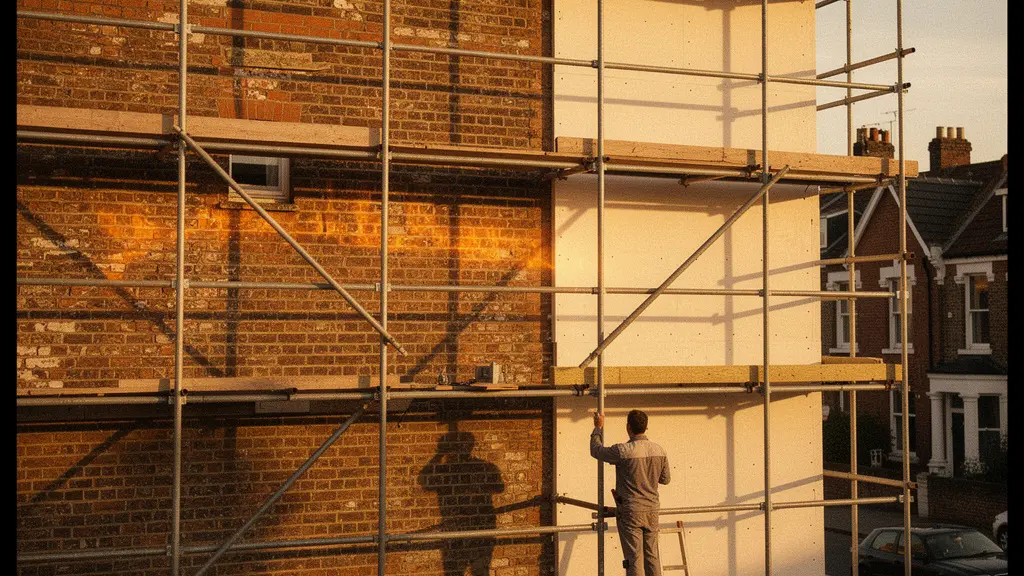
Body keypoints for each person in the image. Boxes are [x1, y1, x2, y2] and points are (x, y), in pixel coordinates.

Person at [591, 409, 671, 576]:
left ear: (628, 427)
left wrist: (598, 427)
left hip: (631, 511)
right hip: (652, 510)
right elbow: (665, 479)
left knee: (634, 559)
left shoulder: (624, 451)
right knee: (652, 557)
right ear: (646, 427)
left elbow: (596, 450)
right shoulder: (660, 450)